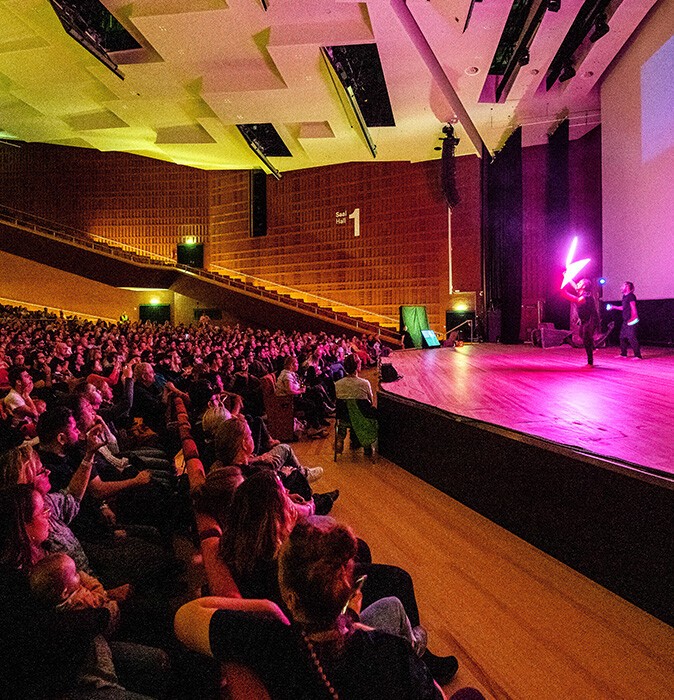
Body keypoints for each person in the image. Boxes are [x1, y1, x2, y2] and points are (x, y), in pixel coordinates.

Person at [176, 516, 448, 699]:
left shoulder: (266, 644)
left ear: (290, 597)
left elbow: (184, 617)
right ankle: (418, 641)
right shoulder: (389, 652)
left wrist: (268, 608)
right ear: (349, 591)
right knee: (393, 607)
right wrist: (351, 619)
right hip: (365, 640)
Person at [561, 277, 600, 365]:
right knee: (581, 334)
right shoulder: (581, 292)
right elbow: (575, 286)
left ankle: (590, 362)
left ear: (583, 286)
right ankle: (593, 346)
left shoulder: (585, 297)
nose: (577, 283)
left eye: (579, 283)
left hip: (591, 320)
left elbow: (572, 298)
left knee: (586, 339)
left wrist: (563, 290)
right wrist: (568, 277)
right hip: (585, 319)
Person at [607, 281, 642, 359]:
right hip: (626, 320)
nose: (621, 287)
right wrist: (613, 307)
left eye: (623, 286)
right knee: (622, 337)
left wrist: (634, 318)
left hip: (632, 319)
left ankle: (638, 355)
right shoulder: (624, 297)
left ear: (627, 286)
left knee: (631, 337)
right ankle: (623, 354)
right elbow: (624, 308)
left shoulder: (631, 296)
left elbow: (633, 308)